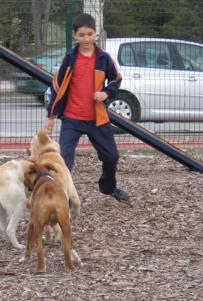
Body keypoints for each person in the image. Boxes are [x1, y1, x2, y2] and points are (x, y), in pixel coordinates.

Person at [44, 13, 129, 203]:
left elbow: (116, 80)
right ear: (75, 35)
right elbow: (57, 86)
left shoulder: (104, 59)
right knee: (63, 160)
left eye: (90, 34)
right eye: (82, 35)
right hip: (72, 119)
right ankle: (61, 198)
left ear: (95, 34)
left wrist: (106, 93)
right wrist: (51, 116)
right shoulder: (69, 59)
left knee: (111, 156)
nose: (86, 39)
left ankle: (108, 187)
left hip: (97, 119)